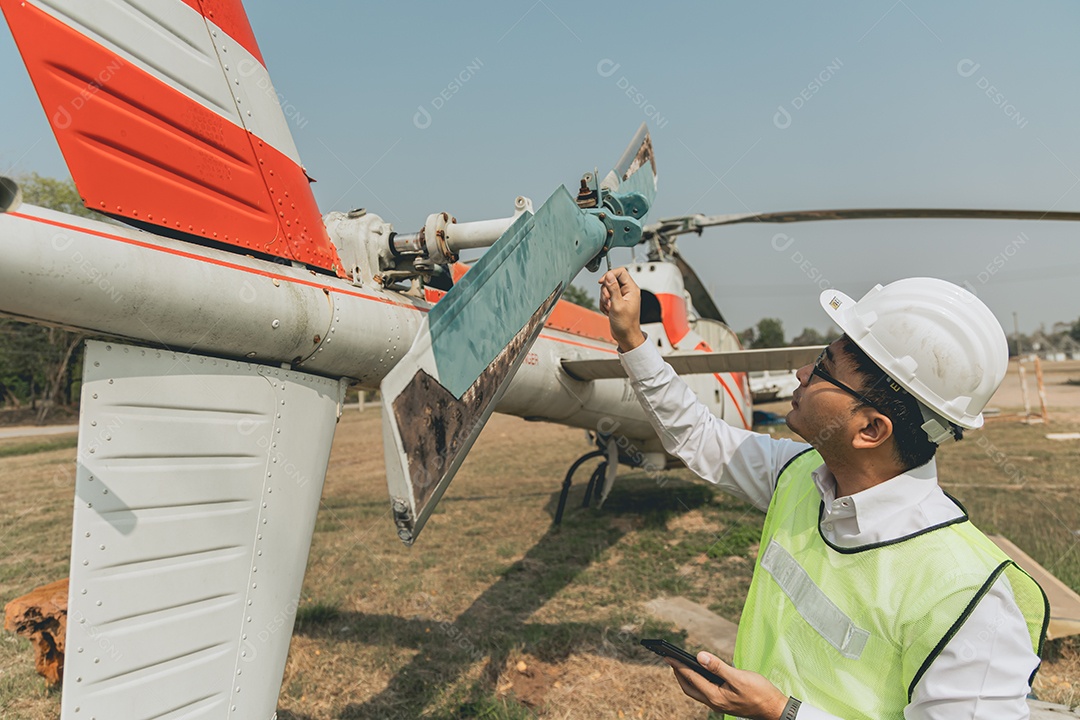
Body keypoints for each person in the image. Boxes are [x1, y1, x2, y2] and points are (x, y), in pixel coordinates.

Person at [599, 269, 1048, 720]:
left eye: (823, 370)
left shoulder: (968, 599)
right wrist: (632, 340)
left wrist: (782, 712)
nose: (800, 373)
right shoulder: (799, 478)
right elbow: (697, 435)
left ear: (871, 429)